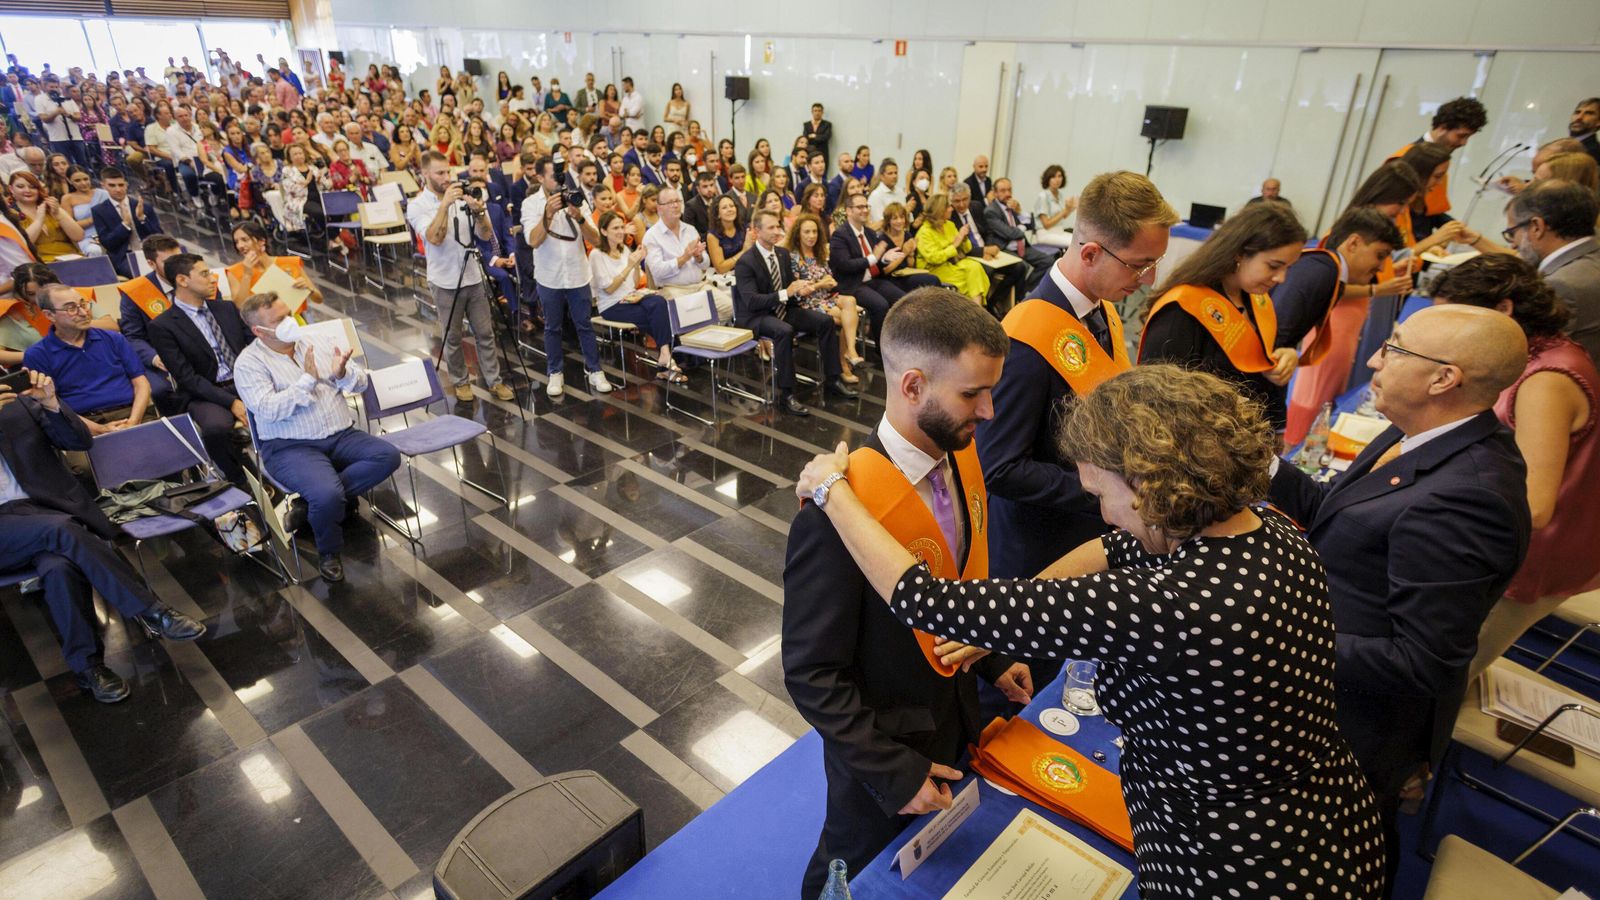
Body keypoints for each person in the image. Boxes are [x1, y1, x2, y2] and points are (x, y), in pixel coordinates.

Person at [794, 363, 1387, 899]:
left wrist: (831, 490)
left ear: (1153, 488)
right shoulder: (1269, 531)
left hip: (1236, 863)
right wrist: (1019, 620)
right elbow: (1116, 545)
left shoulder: (1166, 603)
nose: (1102, 511)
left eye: (1103, 492)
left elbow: (924, 599)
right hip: (1326, 819)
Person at [1267, 304, 1530, 894]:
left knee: (1325, 858)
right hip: (1328, 689)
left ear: (1444, 379)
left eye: (1396, 347)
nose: (1377, 359)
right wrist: (1259, 464)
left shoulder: (1468, 498)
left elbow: (1422, 661)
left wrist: (1278, 640)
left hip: (1356, 727)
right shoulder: (1415, 431)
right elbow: (1338, 518)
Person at [784, 288, 1033, 898]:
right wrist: (893, 772)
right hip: (883, 754)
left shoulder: (961, 458)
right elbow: (812, 671)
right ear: (914, 385)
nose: (992, 411)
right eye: (973, 393)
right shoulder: (839, 509)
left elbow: (959, 581)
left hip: (957, 715)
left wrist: (994, 656)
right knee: (847, 864)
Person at [979, 169, 1174, 589]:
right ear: (1089, 254)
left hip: (1089, 536)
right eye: (1140, 266)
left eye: (1154, 264)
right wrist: (1106, 491)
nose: (1149, 280)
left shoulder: (1100, 309)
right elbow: (998, 467)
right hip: (1042, 552)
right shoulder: (1028, 334)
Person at [1420, 256, 1600, 677]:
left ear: (1503, 310)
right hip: (1507, 547)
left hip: (1530, 557)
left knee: (1446, 673)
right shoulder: (1534, 356)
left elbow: (1534, 505)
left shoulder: (1547, 379)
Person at [0, 373, 206, 703]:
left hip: (42, 512)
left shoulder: (17, 404)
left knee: (59, 567)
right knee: (62, 530)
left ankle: (89, 668)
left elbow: (80, 441)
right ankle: (151, 610)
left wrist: (51, 403)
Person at [234, 292, 400, 583]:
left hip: (340, 433)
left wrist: (342, 373)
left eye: (289, 314)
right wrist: (307, 380)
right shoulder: (249, 363)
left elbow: (361, 382)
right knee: (327, 494)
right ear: (259, 331)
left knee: (387, 456)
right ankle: (329, 552)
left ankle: (314, 507)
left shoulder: (316, 338)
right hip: (290, 446)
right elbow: (268, 410)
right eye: (279, 320)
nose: (289, 322)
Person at [1140, 201, 1307, 431]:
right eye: (1273, 266)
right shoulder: (1181, 309)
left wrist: (1282, 360)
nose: (1281, 278)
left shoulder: (1257, 300)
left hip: (1245, 441)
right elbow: (1156, 400)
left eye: (1288, 268)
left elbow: (1260, 366)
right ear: (1239, 252)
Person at [1271, 207, 1403, 443]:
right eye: (1380, 255)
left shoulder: (1327, 271)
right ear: (1353, 243)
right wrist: (1276, 425)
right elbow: (1276, 339)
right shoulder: (1323, 273)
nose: (1382, 268)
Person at [406, 151, 515, 403]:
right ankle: (460, 382)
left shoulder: (462, 196)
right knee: (453, 336)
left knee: (486, 333)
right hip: (444, 280)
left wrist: (479, 212)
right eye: (440, 173)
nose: (446, 177)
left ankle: (494, 380)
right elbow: (434, 237)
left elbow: (486, 235)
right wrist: (444, 204)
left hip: (473, 275)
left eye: (448, 172)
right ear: (425, 174)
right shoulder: (417, 206)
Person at [733, 208, 856, 416]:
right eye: (771, 227)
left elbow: (791, 287)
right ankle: (786, 394)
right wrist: (785, 293)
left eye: (778, 226)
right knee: (784, 331)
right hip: (756, 316)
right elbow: (751, 301)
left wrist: (802, 289)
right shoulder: (746, 261)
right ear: (756, 231)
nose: (776, 231)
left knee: (825, 322)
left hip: (784, 309)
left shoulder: (781, 254)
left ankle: (833, 379)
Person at [147, 253, 252, 486]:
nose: (212, 277)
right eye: (204, 273)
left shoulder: (225, 308)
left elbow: (252, 346)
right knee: (215, 429)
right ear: (183, 280)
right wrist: (230, 402)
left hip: (245, 380)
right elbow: (187, 378)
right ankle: (240, 481)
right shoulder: (163, 326)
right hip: (206, 391)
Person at [522, 153, 613, 399]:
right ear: (539, 177)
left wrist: (580, 217)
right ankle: (555, 371)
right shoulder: (531, 204)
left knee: (584, 324)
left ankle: (594, 370)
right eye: (553, 176)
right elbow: (533, 240)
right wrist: (548, 214)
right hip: (549, 276)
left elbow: (596, 240)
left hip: (577, 274)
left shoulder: (576, 199)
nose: (559, 181)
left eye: (561, 176)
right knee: (553, 327)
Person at [22, 283, 151, 432]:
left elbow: (141, 383)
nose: (83, 313)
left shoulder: (113, 339)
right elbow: (51, 403)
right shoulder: (37, 355)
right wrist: (100, 429)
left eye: (83, 304)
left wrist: (133, 421)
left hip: (133, 413)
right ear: (49, 315)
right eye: (71, 308)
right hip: (83, 424)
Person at [1504, 178, 1600, 365]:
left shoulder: (1560, 284)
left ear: (1537, 227)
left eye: (1512, 233)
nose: (1513, 244)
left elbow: (1535, 358)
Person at [590, 211, 685, 384]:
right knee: (658, 311)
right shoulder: (597, 255)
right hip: (611, 305)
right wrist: (630, 265)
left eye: (621, 227)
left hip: (630, 298)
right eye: (615, 228)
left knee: (658, 302)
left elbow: (633, 284)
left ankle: (665, 356)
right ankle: (667, 360)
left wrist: (635, 266)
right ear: (604, 232)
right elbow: (610, 289)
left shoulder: (624, 249)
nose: (621, 231)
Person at [828, 191, 908, 353]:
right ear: (849, 211)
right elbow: (845, 265)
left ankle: (899, 341)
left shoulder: (870, 233)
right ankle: (882, 349)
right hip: (852, 284)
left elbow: (877, 259)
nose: (865, 210)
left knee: (902, 299)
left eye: (866, 206)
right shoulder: (840, 235)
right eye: (860, 207)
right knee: (880, 305)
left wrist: (884, 259)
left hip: (872, 280)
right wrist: (873, 258)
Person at [786, 212, 862, 382]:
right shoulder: (793, 258)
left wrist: (828, 282)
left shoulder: (819, 253)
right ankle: (842, 363)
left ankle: (850, 350)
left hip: (826, 297)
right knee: (847, 317)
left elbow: (830, 279)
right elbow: (799, 292)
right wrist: (821, 283)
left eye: (814, 232)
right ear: (798, 233)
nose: (812, 236)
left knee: (850, 301)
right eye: (807, 232)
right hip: (807, 303)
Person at [1387, 96, 1487, 218]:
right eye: (1461, 136)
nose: (1464, 143)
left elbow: (1431, 210)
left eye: (1467, 138)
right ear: (1442, 128)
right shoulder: (1403, 159)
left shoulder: (1440, 159)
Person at [117, 235, 180, 411]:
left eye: (179, 258)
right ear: (151, 264)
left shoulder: (194, 279)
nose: (177, 266)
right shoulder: (136, 292)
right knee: (160, 390)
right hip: (160, 355)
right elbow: (133, 337)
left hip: (198, 351)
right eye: (169, 261)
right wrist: (155, 358)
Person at [226, 221, 322, 317]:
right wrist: (247, 275)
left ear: (261, 241)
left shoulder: (290, 263)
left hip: (295, 320)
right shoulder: (234, 272)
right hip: (262, 325)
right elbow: (239, 306)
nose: (240, 246)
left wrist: (309, 289)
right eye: (236, 242)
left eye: (244, 239)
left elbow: (319, 299)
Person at [985, 177, 1059, 292]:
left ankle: (1028, 291)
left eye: (1009, 190)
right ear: (995, 193)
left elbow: (1031, 224)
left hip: (1022, 247)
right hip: (1004, 249)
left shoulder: (1012, 206)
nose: (1008, 194)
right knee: (1022, 266)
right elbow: (1011, 233)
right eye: (1003, 191)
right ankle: (1015, 297)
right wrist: (1022, 227)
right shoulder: (991, 211)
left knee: (1048, 262)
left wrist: (1019, 211)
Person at [914, 193, 988, 303]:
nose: (952, 209)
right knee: (967, 279)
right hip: (934, 269)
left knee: (975, 267)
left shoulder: (949, 225)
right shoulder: (925, 232)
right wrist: (954, 245)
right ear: (940, 210)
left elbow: (967, 249)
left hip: (953, 263)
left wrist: (963, 238)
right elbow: (934, 258)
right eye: (948, 206)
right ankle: (973, 310)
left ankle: (976, 309)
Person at [1032, 164, 1076, 249]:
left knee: (1079, 242)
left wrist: (1071, 208)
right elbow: (1046, 224)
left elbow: (1064, 216)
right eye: (1053, 177)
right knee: (1073, 244)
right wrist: (1065, 210)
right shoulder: (1043, 196)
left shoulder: (1059, 195)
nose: (1057, 180)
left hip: (1058, 231)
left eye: (1059, 176)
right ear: (1048, 179)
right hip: (1045, 233)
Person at [866, 157, 904, 226]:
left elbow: (909, 220)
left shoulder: (901, 192)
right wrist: (905, 211)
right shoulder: (876, 195)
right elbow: (880, 223)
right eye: (890, 173)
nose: (894, 176)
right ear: (882, 176)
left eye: (896, 173)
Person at [1566, 97, 1600, 166]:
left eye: (1589, 113)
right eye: (1577, 112)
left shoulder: (1594, 151)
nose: (1579, 117)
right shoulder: (1560, 145)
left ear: (1598, 122)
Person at [801, 102, 831, 170]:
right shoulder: (807, 124)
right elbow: (805, 137)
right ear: (812, 112)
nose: (817, 113)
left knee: (823, 175)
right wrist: (819, 137)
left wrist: (814, 136)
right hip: (809, 153)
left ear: (822, 112)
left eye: (819, 111)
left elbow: (826, 137)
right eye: (815, 110)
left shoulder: (827, 124)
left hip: (822, 153)